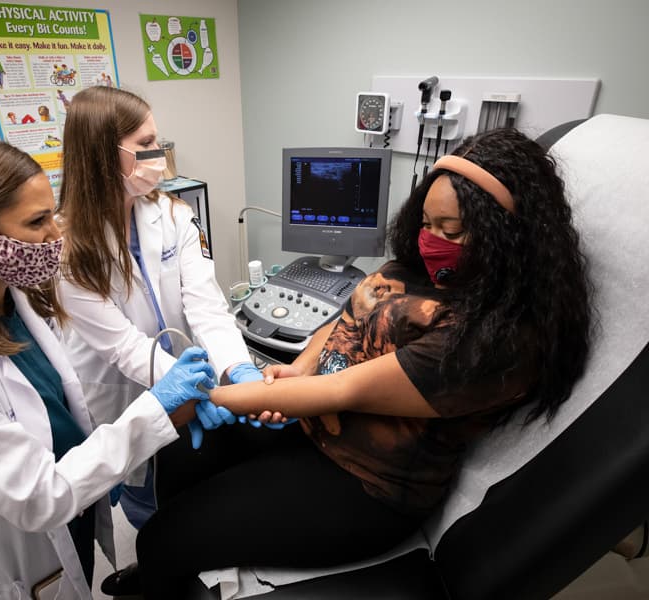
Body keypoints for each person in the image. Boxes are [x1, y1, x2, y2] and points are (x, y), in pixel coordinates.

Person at [132, 127, 593, 598]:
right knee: (180, 453)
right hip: (316, 429)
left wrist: (207, 395)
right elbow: (349, 317)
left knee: (163, 540)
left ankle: (160, 568)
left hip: (364, 483)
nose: (432, 240)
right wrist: (300, 367)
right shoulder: (423, 268)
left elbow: (343, 390)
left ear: (504, 236)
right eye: (426, 224)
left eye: (450, 231)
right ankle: (162, 572)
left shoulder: (493, 339)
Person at [0, 133, 220, 599]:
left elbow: (56, 400)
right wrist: (154, 414)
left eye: (51, 214)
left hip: (75, 502)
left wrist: (135, 434)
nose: (57, 235)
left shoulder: (14, 301)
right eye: (37, 222)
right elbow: (40, 497)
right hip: (22, 545)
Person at [56, 86, 263, 529]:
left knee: (191, 488)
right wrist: (203, 390)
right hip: (120, 390)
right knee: (145, 500)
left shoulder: (173, 215)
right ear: (101, 155)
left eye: (157, 140)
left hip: (181, 376)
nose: (159, 154)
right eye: (145, 145)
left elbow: (207, 307)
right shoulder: (67, 249)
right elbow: (124, 348)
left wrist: (238, 369)